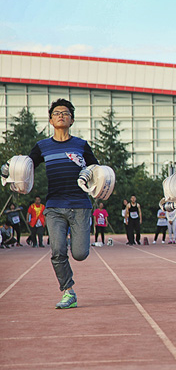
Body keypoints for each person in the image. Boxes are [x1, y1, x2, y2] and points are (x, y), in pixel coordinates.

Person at [25, 98, 99, 309]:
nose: (61, 116)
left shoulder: (81, 145)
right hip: (54, 206)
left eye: (65, 113)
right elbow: (25, 167)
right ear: (50, 120)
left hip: (80, 205)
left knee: (80, 254)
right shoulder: (42, 146)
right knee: (57, 251)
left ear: (72, 120)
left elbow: (96, 170)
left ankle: (77, 240)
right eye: (56, 113)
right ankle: (68, 291)